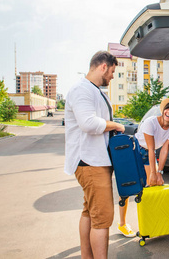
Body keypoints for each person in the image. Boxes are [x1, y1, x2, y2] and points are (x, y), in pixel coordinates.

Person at [64, 51, 125, 259]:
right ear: (103, 67)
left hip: (93, 161)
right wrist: (116, 125)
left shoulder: (93, 90)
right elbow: (88, 123)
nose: (113, 76)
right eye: (113, 71)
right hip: (90, 162)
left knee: (90, 212)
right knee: (103, 218)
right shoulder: (82, 90)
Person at [117, 98, 169, 237]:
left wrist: (159, 172)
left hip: (148, 154)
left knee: (152, 185)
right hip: (135, 152)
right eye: (168, 108)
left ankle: (151, 223)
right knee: (127, 187)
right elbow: (151, 149)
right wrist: (154, 172)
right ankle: (122, 224)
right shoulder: (151, 122)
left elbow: (164, 150)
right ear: (163, 110)